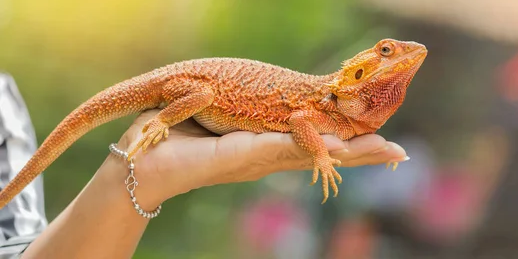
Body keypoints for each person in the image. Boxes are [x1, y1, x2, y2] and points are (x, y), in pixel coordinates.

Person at [0, 74, 407, 258]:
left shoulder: (7, 120)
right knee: (200, 95)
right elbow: (300, 122)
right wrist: (161, 122)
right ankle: (163, 117)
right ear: (356, 71)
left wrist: (144, 177)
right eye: (386, 52)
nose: (398, 59)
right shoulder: (318, 107)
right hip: (193, 89)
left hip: (199, 92)